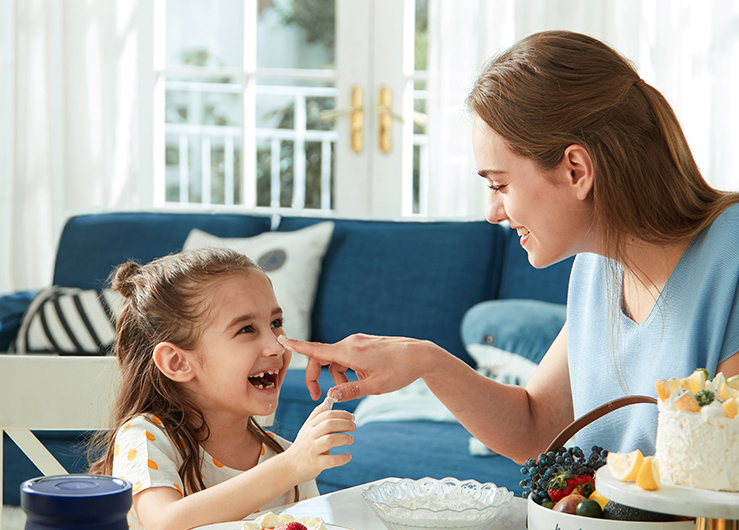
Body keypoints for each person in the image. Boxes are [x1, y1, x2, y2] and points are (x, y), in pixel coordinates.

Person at [278, 31, 739, 461]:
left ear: (575, 170)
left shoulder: (730, 262)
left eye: (500, 185)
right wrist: (424, 361)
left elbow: (717, 481)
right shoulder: (599, 268)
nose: (493, 213)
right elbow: (538, 430)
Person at [89, 247, 355, 530]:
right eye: (246, 329)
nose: (277, 346)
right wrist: (291, 466)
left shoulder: (284, 455)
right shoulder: (146, 437)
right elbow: (166, 525)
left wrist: (294, 464)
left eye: (275, 324)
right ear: (178, 363)